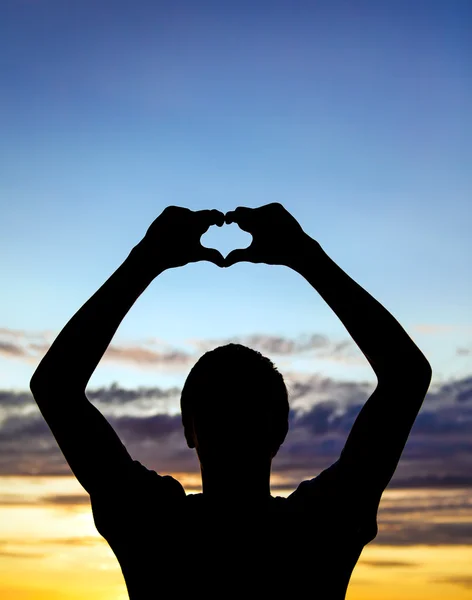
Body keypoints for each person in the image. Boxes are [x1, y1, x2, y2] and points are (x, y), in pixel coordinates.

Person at [30, 203, 432, 599]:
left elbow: (55, 386)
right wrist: (306, 257)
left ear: (189, 429)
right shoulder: (320, 526)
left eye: (239, 412)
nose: (234, 424)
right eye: (227, 412)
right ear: (280, 430)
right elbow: (406, 376)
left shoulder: (152, 525)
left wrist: (145, 261)